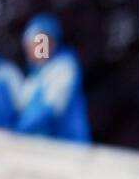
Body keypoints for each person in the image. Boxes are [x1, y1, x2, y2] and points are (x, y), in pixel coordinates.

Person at [14, 14, 91, 142]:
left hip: (69, 147)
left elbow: (50, 108)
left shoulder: (63, 67)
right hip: (44, 150)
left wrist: (16, 131)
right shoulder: (35, 76)